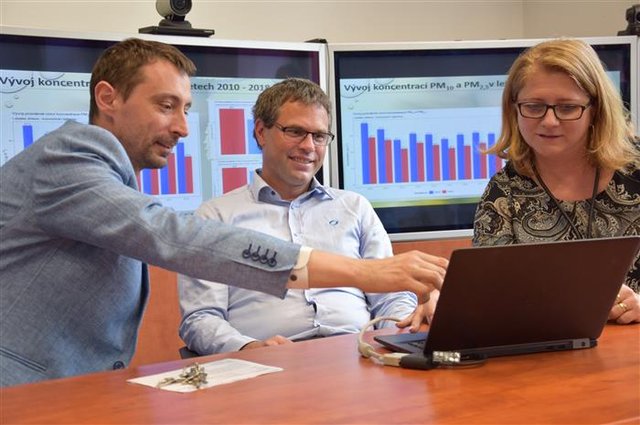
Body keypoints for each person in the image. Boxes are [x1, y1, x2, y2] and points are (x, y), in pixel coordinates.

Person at [0, 39, 448, 387]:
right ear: (108, 97)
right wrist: (365, 273)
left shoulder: (108, 175)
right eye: (165, 106)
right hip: (22, 390)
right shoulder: (69, 159)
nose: (181, 128)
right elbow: (174, 237)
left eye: (186, 109)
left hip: (72, 388)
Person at [178, 79, 435, 354]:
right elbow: (201, 318)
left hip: (360, 354)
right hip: (270, 363)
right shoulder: (216, 217)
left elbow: (391, 295)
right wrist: (249, 347)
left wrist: (401, 332)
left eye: (319, 136)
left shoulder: (355, 207)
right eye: (296, 131)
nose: (309, 146)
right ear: (261, 132)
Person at [473, 38, 640, 324]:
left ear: (595, 110)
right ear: (514, 109)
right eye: (534, 106)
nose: (549, 121)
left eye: (567, 108)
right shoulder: (504, 191)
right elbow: (488, 293)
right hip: (557, 344)